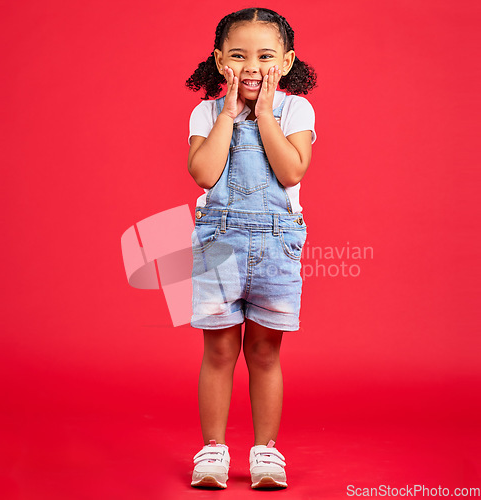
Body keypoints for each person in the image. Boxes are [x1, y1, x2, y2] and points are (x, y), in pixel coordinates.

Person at [186, 7, 317, 490]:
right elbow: (204, 174)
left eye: (265, 56)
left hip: (275, 242)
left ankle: (266, 452)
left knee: (264, 350)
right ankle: (213, 451)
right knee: (219, 348)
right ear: (220, 61)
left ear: (285, 62)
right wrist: (228, 113)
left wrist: (263, 113)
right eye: (238, 56)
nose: (252, 66)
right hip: (219, 240)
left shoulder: (295, 110)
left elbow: (291, 172)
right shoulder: (205, 112)